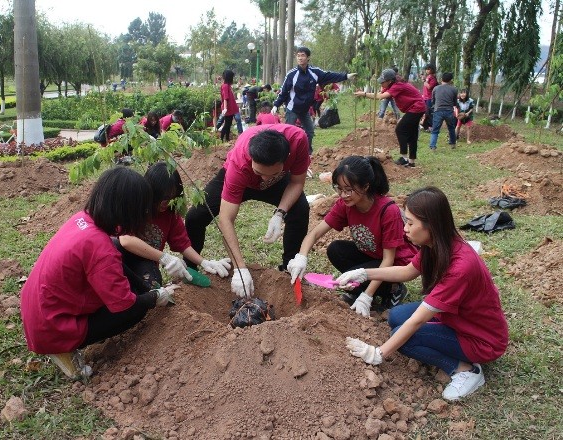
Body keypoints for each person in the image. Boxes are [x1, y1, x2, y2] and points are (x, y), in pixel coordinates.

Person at [341, 186, 509, 401]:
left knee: (404, 337)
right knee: (395, 317)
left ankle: (466, 370)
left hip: (481, 339)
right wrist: (363, 273)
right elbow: (406, 271)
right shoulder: (436, 245)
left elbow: (418, 320)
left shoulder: (461, 267)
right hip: (457, 317)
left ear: (432, 225)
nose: (405, 229)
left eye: (411, 223)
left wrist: (378, 353)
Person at [20, 167, 178, 380]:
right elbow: (125, 304)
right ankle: (64, 349)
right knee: (137, 310)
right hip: (52, 327)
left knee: (119, 252)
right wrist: (154, 298)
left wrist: (146, 289)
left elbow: (114, 261)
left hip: (39, 311)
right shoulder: (100, 249)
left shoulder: (83, 218)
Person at [184, 124, 311, 298]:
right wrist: (240, 268)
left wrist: (279, 213)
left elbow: (296, 182)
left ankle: (290, 269)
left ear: (285, 158)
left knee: (300, 210)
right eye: (260, 172)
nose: (264, 179)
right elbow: (225, 219)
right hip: (242, 175)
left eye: (271, 174)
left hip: (279, 182)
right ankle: (190, 269)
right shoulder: (240, 163)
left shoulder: (298, 140)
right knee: (195, 216)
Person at [286, 156, 416, 314]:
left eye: (349, 190)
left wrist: (366, 296)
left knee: (355, 278)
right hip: (372, 255)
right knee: (335, 249)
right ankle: (363, 288)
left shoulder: (388, 211)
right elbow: (315, 234)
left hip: (394, 263)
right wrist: (301, 256)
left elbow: (388, 260)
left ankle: (393, 289)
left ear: (366, 186)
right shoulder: (345, 205)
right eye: (339, 189)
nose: (343, 195)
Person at [115, 162, 232, 288]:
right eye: (162, 197)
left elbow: (182, 243)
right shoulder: (135, 205)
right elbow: (126, 240)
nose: (166, 203)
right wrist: (164, 257)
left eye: (172, 197)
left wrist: (204, 262)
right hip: (120, 260)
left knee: (151, 283)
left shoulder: (170, 214)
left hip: (147, 267)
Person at [272, 46, 356, 155]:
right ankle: (287, 154)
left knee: (310, 131)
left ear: (308, 58)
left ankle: (307, 153)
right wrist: (275, 105)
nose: (300, 58)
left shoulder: (315, 72)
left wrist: (347, 76)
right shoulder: (292, 74)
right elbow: (283, 92)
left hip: (305, 109)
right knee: (289, 133)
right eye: (298, 56)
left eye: (302, 55)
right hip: (292, 108)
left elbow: (329, 76)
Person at [355, 68, 426, 168]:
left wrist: (364, 94)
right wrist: (367, 93)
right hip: (416, 107)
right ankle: (411, 162)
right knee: (412, 134)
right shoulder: (391, 85)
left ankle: (404, 158)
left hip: (416, 108)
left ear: (390, 81)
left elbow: (381, 97)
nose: (381, 84)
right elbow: (380, 93)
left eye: (382, 82)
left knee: (400, 129)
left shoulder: (398, 86)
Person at [428, 72, 458, 150]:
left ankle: (433, 146)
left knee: (435, 129)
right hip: (449, 111)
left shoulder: (436, 88)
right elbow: (455, 103)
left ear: (441, 79)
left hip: (438, 110)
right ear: (451, 80)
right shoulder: (454, 89)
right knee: (451, 128)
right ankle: (453, 144)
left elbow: (433, 101)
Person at [219, 69, 240, 141]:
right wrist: (225, 108)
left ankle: (227, 138)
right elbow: (225, 98)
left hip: (230, 108)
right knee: (227, 124)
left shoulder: (228, 86)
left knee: (229, 124)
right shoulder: (225, 86)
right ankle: (221, 138)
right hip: (228, 108)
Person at [421, 64, 438, 132]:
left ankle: (431, 126)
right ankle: (425, 125)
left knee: (430, 112)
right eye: (426, 69)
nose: (427, 70)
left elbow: (430, 87)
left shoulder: (433, 78)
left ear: (432, 70)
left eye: (428, 69)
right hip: (425, 97)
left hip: (430, 98)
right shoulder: (428, 77)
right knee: (424, 112)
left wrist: (425, 81)